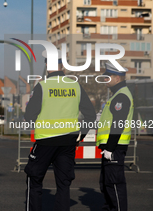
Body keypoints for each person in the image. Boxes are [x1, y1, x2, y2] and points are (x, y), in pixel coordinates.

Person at [24, 50, 96, 211]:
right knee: (64, 185)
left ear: (47, 67)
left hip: (46, 141)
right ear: (62, 65)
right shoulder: (75, 85)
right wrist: (80, 136)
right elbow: (91, 115)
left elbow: (29, 116)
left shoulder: (42, 86)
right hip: (68, 142)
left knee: (34, 180)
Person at [97, 62, 133, 211]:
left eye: (108, 77)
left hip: (114, 148)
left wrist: (110, 148)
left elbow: (118, 124)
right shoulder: (117, 95)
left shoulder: (121, 96)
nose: (105, 80)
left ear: (117, 78)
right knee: (107, 185)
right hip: (111, 148)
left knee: (114, 185)